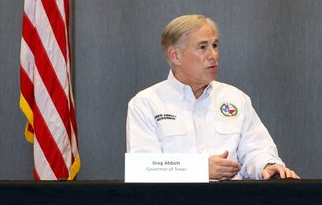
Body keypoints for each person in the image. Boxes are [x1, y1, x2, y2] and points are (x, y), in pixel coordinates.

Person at [126, 14, 299, 181]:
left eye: (215, 45)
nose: (213, 55)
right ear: (175, 55)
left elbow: (256, 149)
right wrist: (199, 169)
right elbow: (142, 168)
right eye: (203, 47)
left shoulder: (236, 99)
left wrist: (266, 166)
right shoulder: (146, 103)